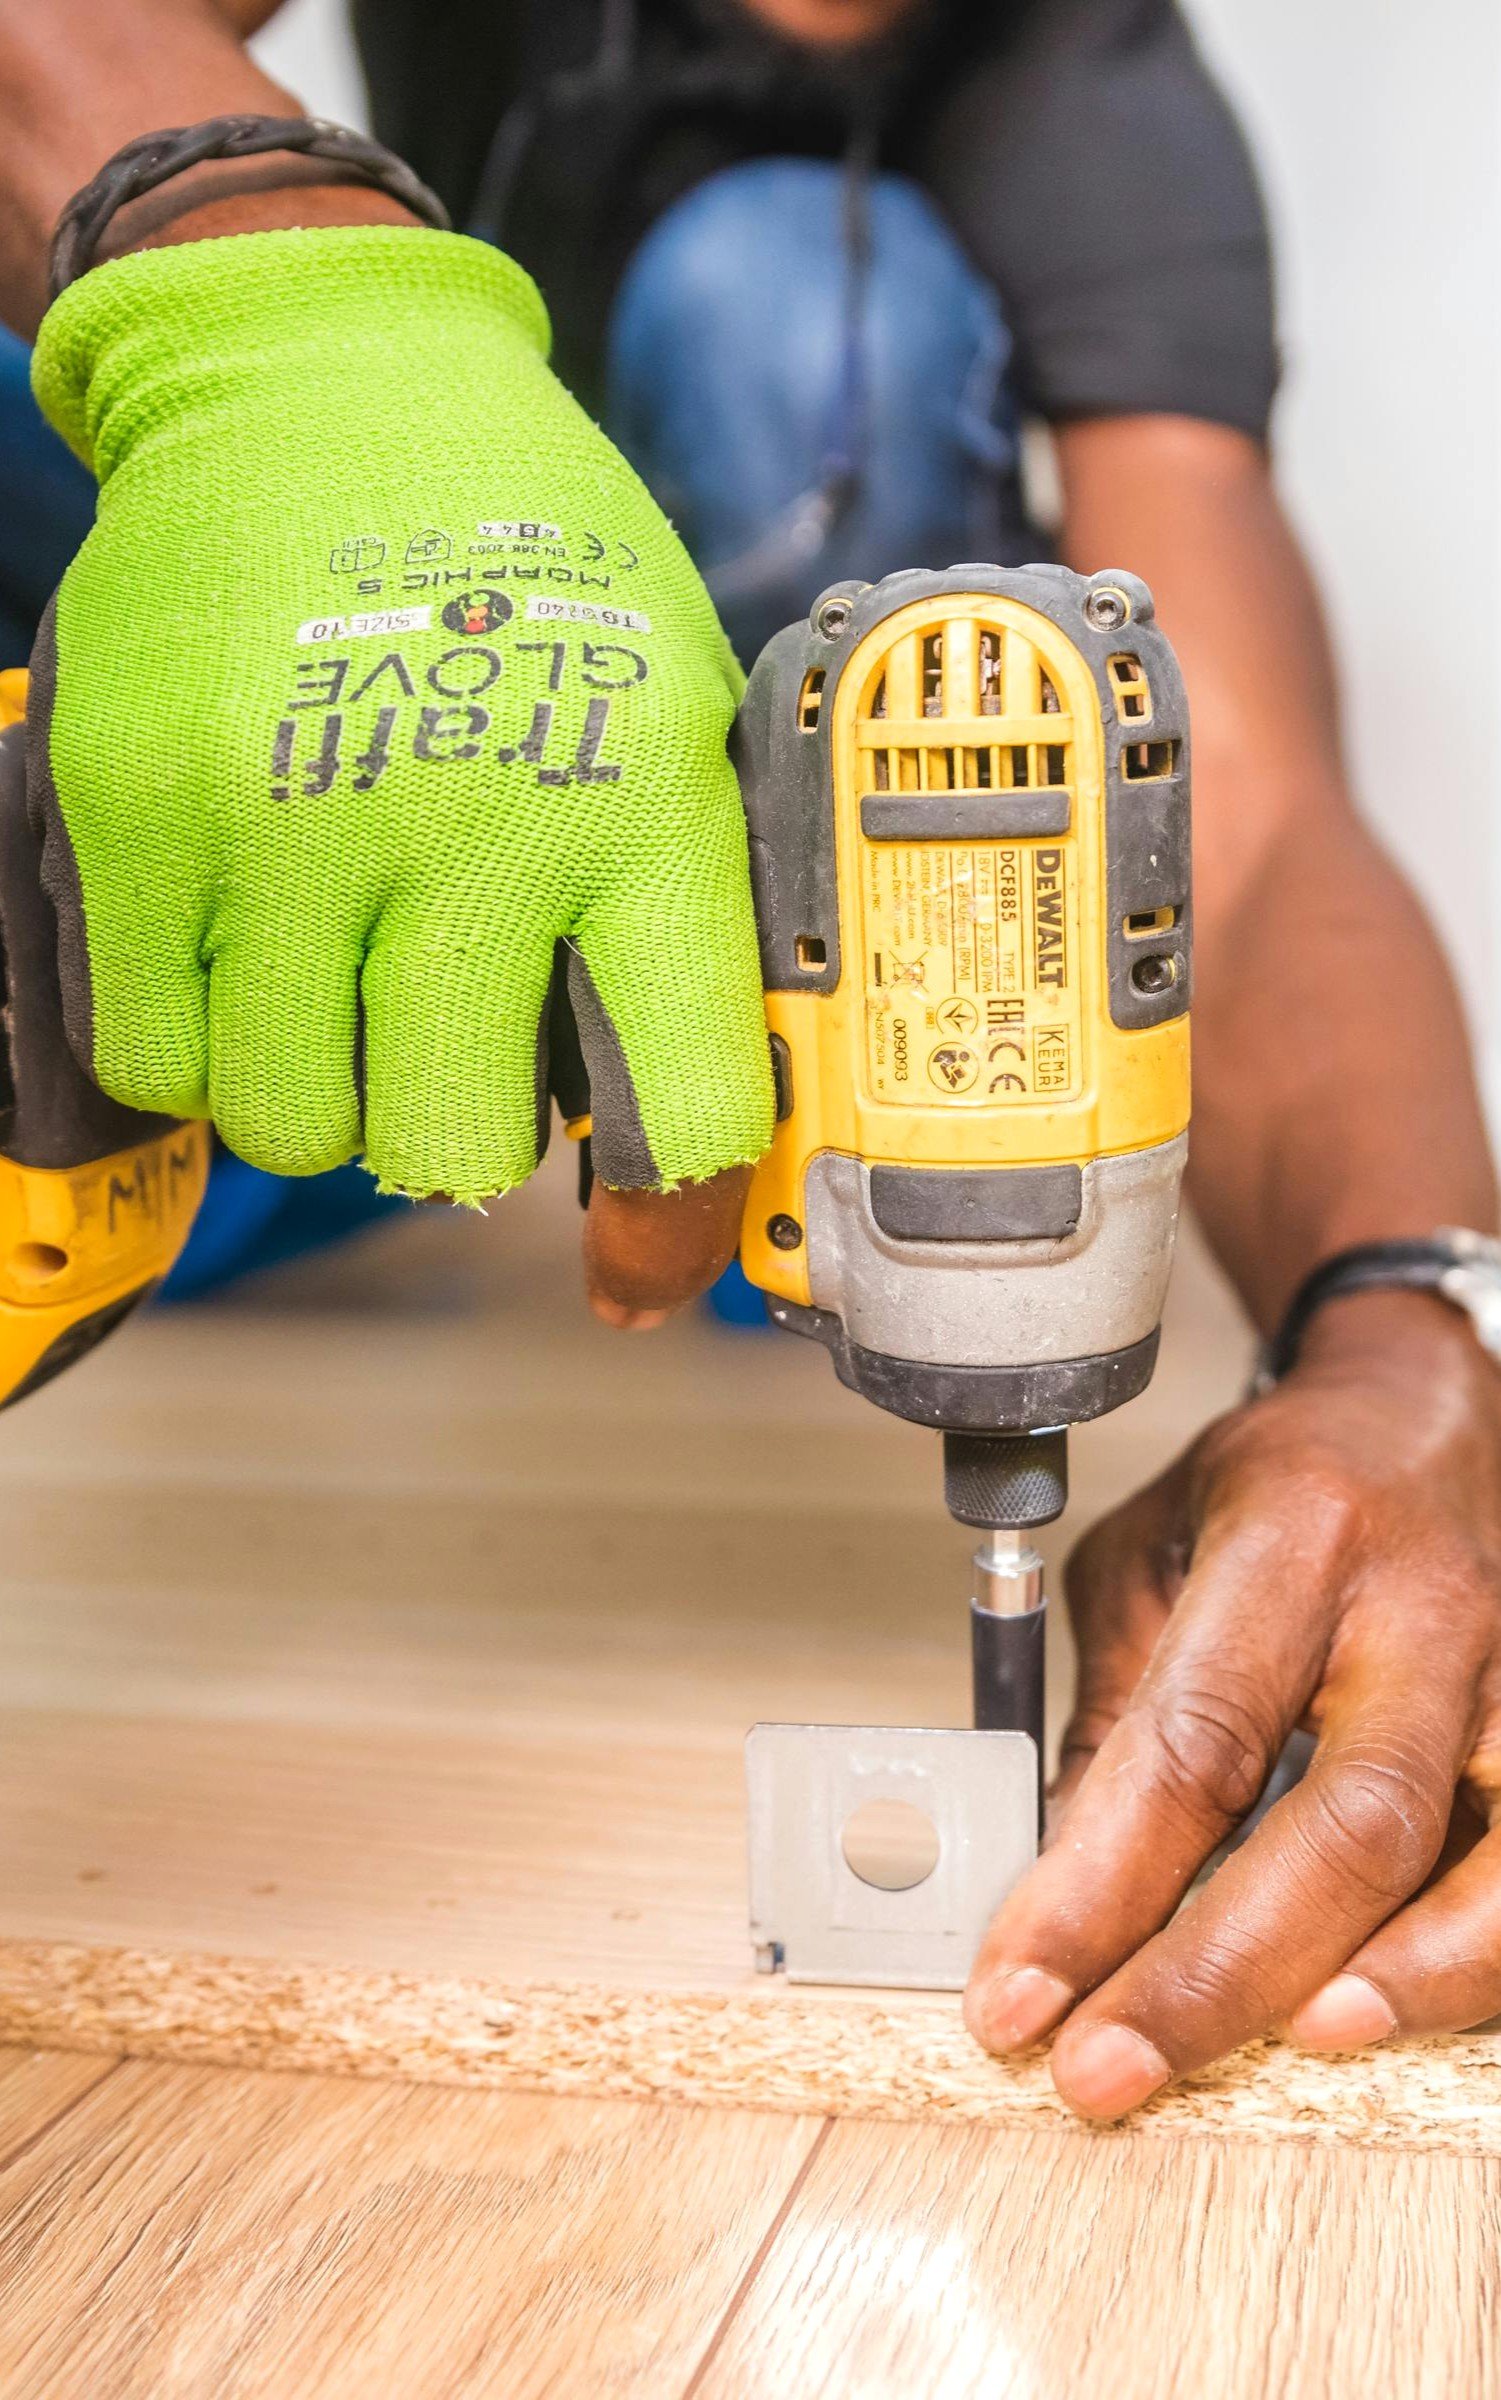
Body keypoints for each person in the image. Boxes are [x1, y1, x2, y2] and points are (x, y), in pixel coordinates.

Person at [2, 0, 1500, 2121]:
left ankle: (665, 1165)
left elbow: (1233, 809)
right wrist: (289, 302)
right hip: (308, 708)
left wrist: (1406, 1326)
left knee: (799, 315)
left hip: (689, 978)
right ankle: (202, 1049)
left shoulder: (1090, 86)